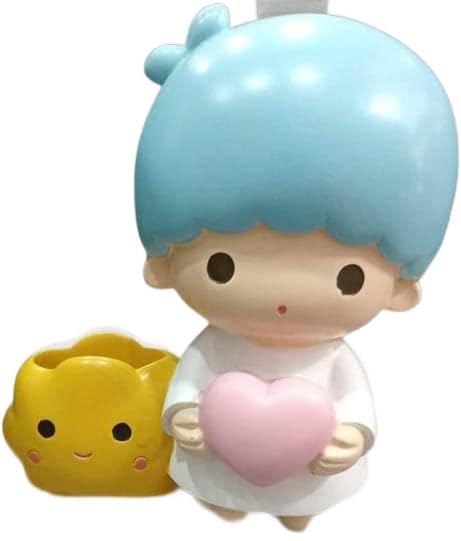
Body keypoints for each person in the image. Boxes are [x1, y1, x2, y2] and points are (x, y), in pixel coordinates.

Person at [135, 4, 458, 531]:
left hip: (310, 474)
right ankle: (226, 498)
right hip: (216, 464)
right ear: (163, 264)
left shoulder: (331, 356)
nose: (283, 296)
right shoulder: (214, 345)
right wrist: (183, 414)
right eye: (222, 266)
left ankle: (295, 507)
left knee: (299, 503)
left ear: (402, 287)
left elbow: (354, 403)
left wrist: (353, 434)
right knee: (219, 493)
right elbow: (189, 383)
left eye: (347, 277)